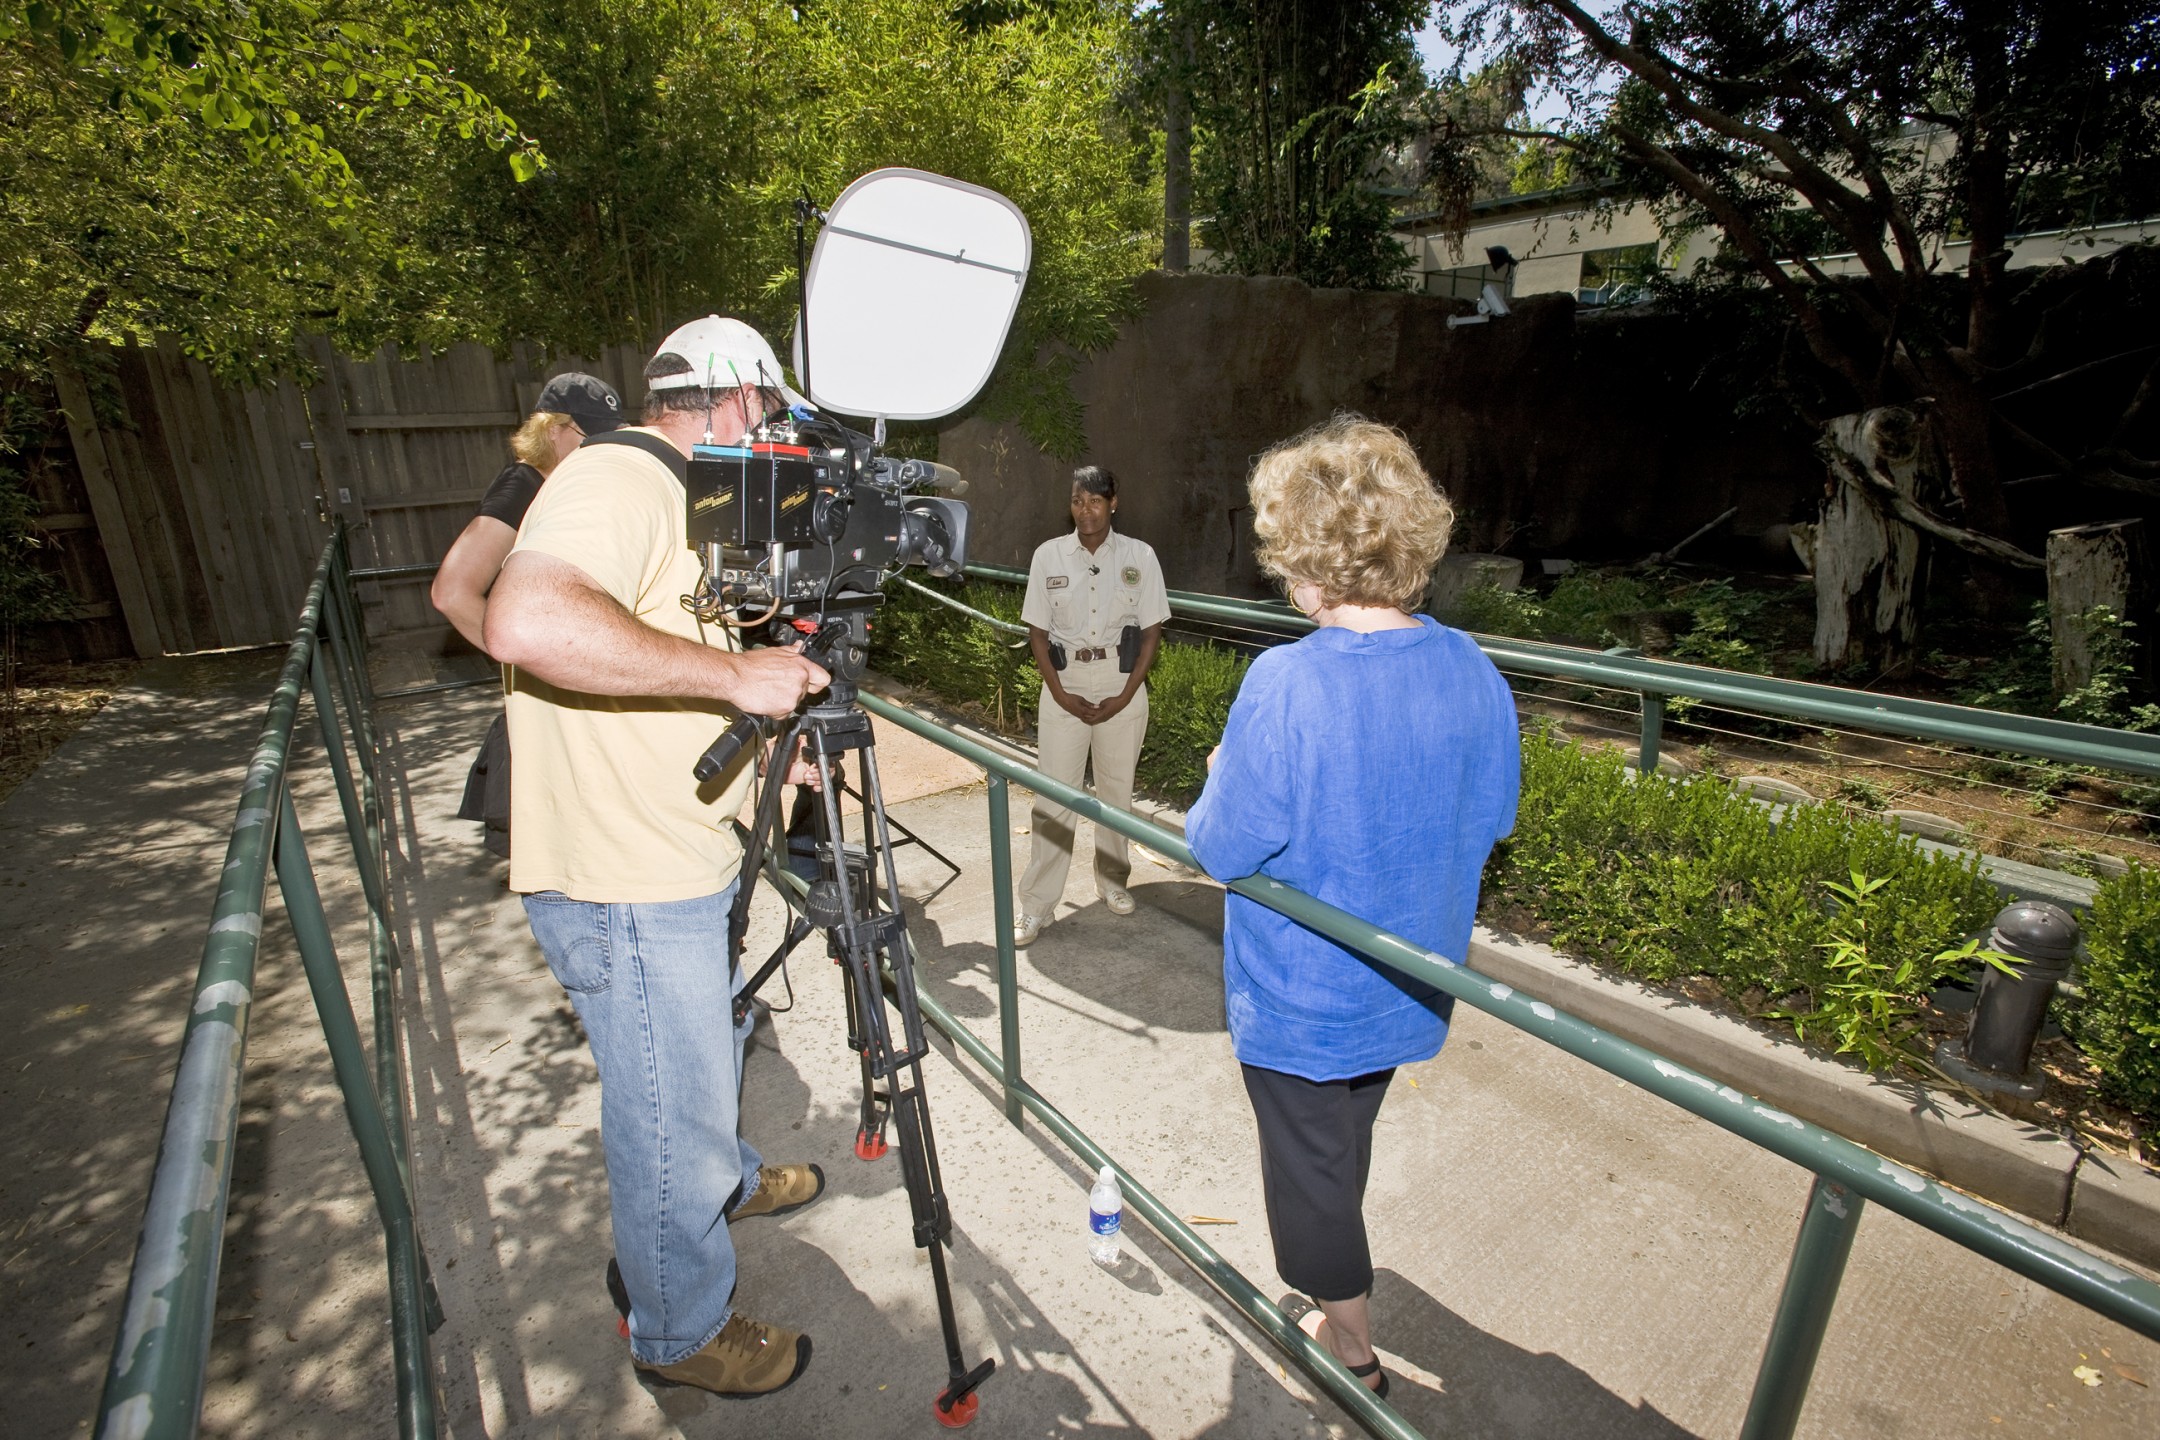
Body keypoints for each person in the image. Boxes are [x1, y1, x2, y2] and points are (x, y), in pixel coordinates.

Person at [482, 316, 835, 1398]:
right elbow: (530, 617)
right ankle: (680, 1329)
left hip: (672, 855)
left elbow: (664, 654)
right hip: (624, 881)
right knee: (663, 1104)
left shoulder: (680, 494)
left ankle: (720, 1182)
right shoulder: (625, 477)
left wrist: (763, 742)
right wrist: (738, 682)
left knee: (710, 1045)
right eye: (769, 415)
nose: (772, 437)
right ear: (733, 400)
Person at [1184, 415, 1519, 1400]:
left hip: (1303, 998)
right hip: (1408, 982)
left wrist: (1217, 776)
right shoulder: (1473, 666)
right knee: (1343, 1140)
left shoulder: (1286, 682)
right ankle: (1343, 1270)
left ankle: (1352, 1342)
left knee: (1310, 1171)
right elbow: (1488, 816)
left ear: (1307, 559)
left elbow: (1223, 844)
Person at [436, 373, 625, 857]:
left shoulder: (571, 488)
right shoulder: (525, 484)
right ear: (553, 429)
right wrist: (530, 659)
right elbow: (452, 591)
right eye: (589, 436)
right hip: (546, 684)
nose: (597, 449)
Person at [1013, 465, 1170, 947]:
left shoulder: (1140, 556)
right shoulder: (1049, 556)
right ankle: (1037, 905)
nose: (1086, 510)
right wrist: (1059, 692)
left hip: (1121, 680)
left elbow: (1150, 633)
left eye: (1095, 500)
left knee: (1116, 793)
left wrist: (1124, 695)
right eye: (1078, 501)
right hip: (1066, 681)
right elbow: (1037, 634)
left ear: (1113, 502)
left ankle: (1113, 883)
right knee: (1053, 799)